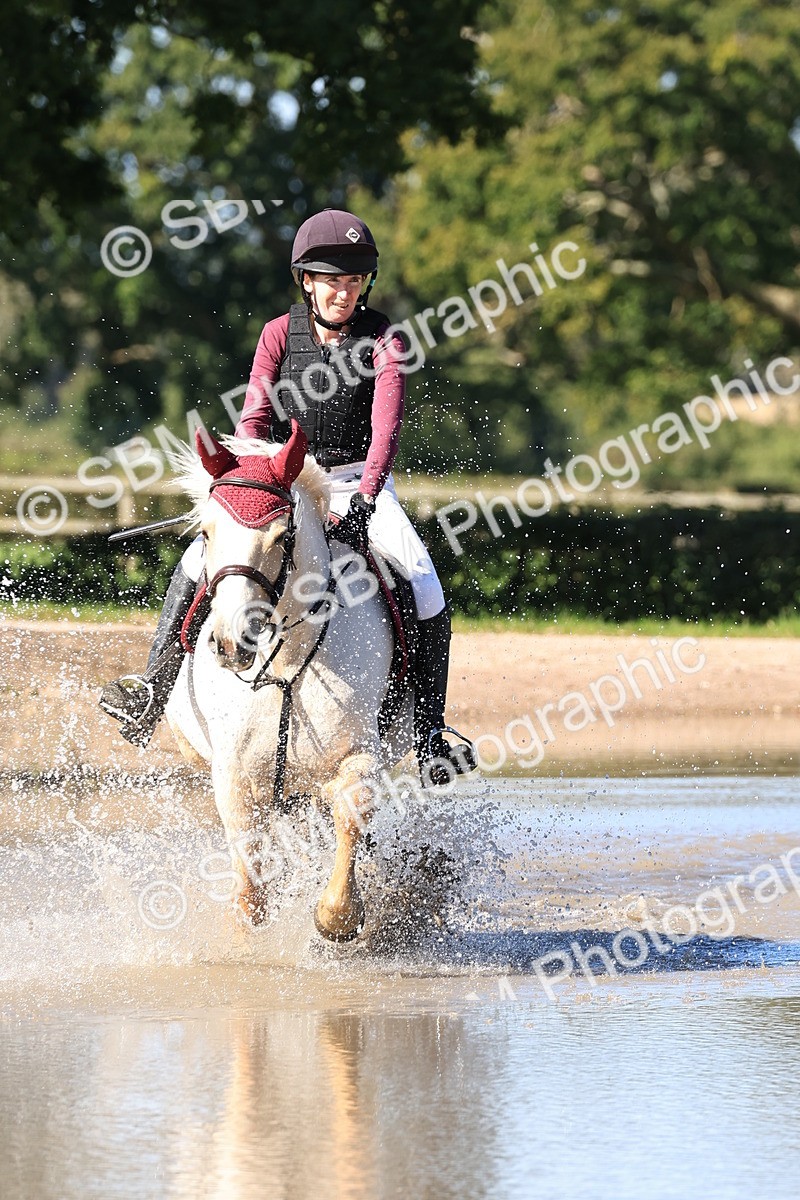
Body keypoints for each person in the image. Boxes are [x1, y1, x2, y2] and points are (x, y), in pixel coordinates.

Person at [100, 208, 476, 786]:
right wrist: (249, 486)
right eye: (331, 281)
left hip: (356, 482)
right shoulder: (278, 334)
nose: (343, 294)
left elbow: (385, 432)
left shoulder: (385, 341)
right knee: (196, 562)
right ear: (307, 280)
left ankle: (429, 736)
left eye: (353, 283)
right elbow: (253, 419)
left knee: (424, 584)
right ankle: (152, 690)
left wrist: (367, 501)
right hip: (284, 479)